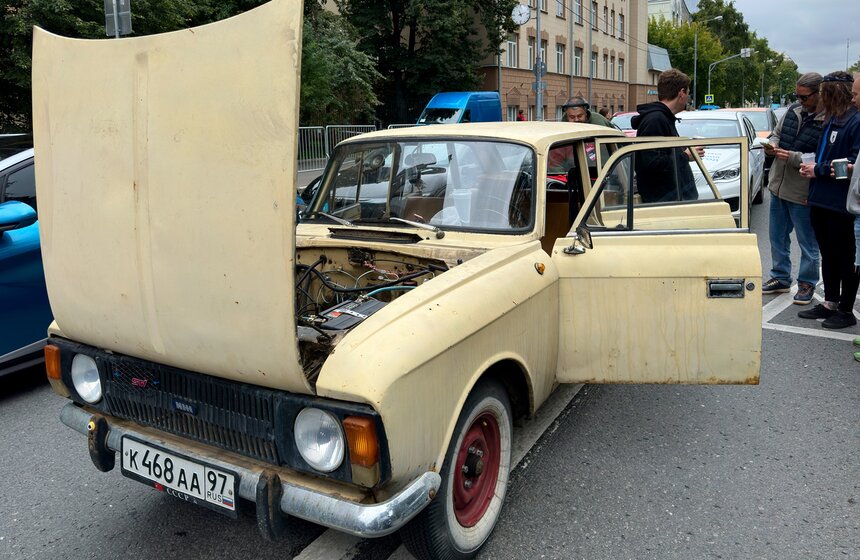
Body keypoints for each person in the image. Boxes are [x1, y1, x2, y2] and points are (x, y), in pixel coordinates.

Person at [798, 71, 860, 329]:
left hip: (840, 203)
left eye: (825, 91)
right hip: (821, 199)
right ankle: (830, 302)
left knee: (845, 257)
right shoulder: (832, 120)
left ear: (836, 92)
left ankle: (846, 310)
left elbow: (854, 164)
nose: (821, 96)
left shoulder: (855, 122)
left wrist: (819, 170)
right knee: (828, 254)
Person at [761, 73, 824, 304]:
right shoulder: (792, 111)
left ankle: (807, 282)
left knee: (808, 242)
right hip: (778, 186)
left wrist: (794, 157)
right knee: (777, 237)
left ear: (819, 94)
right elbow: (776, 134)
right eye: (796, 95)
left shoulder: (827, 119)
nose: (799, 100)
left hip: (803, 191)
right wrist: (773, 144)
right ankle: (780, 277)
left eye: (804, 97)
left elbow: (823, 158)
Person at [630, 68, 701, 202]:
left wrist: (684, 153)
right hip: (665, 204)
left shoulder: (662, 118)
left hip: (671, 200)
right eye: (688, 93)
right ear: (682, 93)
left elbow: (662, 156)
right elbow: (650, 164)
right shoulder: (655, 120)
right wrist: (685, 155)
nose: (688, 98)